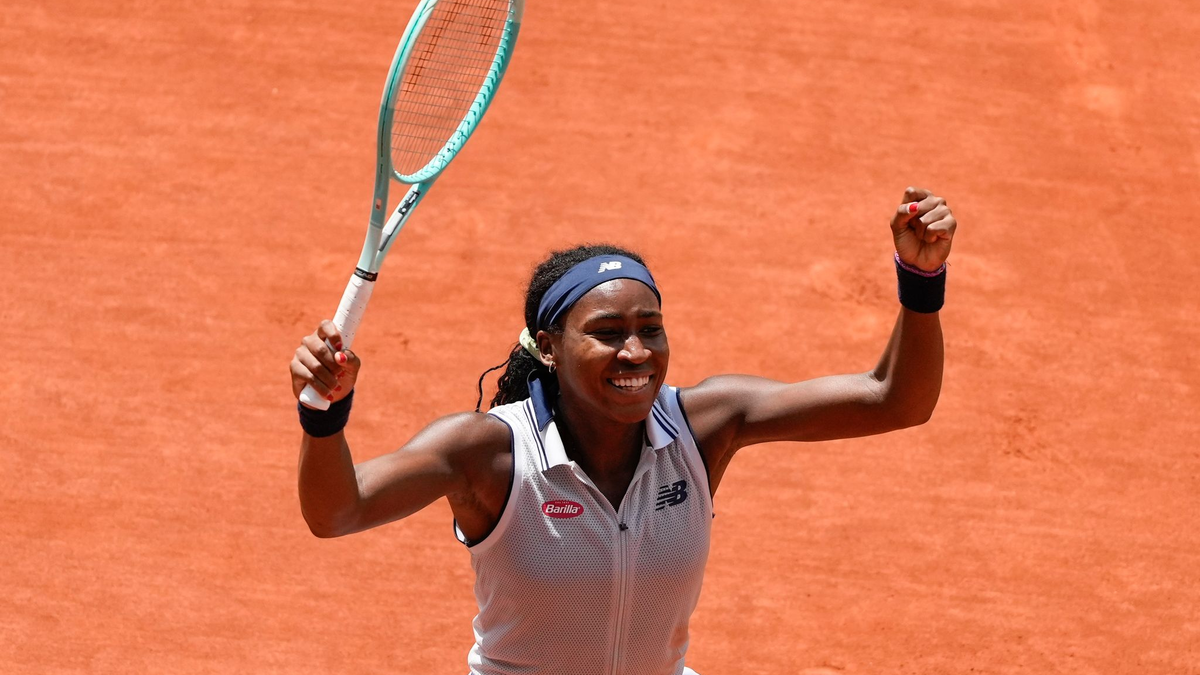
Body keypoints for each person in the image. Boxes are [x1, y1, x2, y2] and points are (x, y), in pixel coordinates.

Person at [289, 187, 957, 675]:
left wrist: (921, 280)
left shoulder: (705, 423)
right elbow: (338, 510)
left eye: (650, 328)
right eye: (607, 334)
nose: (636, 352)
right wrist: (324, 420)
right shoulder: (487, 452)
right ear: (549, 348)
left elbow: (893, 400)